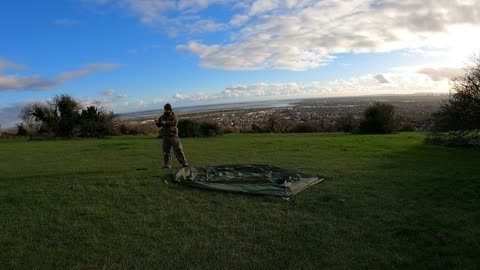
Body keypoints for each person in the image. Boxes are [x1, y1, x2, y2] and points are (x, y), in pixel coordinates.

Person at [155, 103, 189, 169]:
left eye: (167, 109)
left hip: (173, 135)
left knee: (178, 150)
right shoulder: (162, 116)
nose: (165, 110)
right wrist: (157, 123)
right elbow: (159, 125)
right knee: (166, 151)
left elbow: (174, 123)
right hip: (165, 136)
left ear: (170, 109)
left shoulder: (174, 115)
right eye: (165, 109)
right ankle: (167, 164)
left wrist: (166, 123)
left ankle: (184, 163)